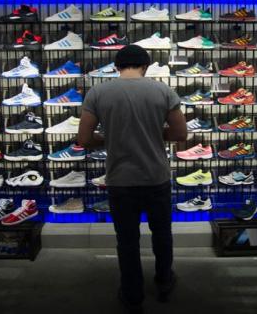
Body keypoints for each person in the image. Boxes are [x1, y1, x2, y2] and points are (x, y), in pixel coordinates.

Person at [78, 45, 187, 313]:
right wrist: (152, 134)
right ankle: (163, 282)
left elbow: (83, 139)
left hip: (120, 179)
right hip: (156, 177)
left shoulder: (98, 92)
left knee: (126, 240)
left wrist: (110, 138)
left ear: (117, 66)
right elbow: (181, 133)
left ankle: (132, 295)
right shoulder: (162, 90)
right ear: (146, 66)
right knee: (162, 234)